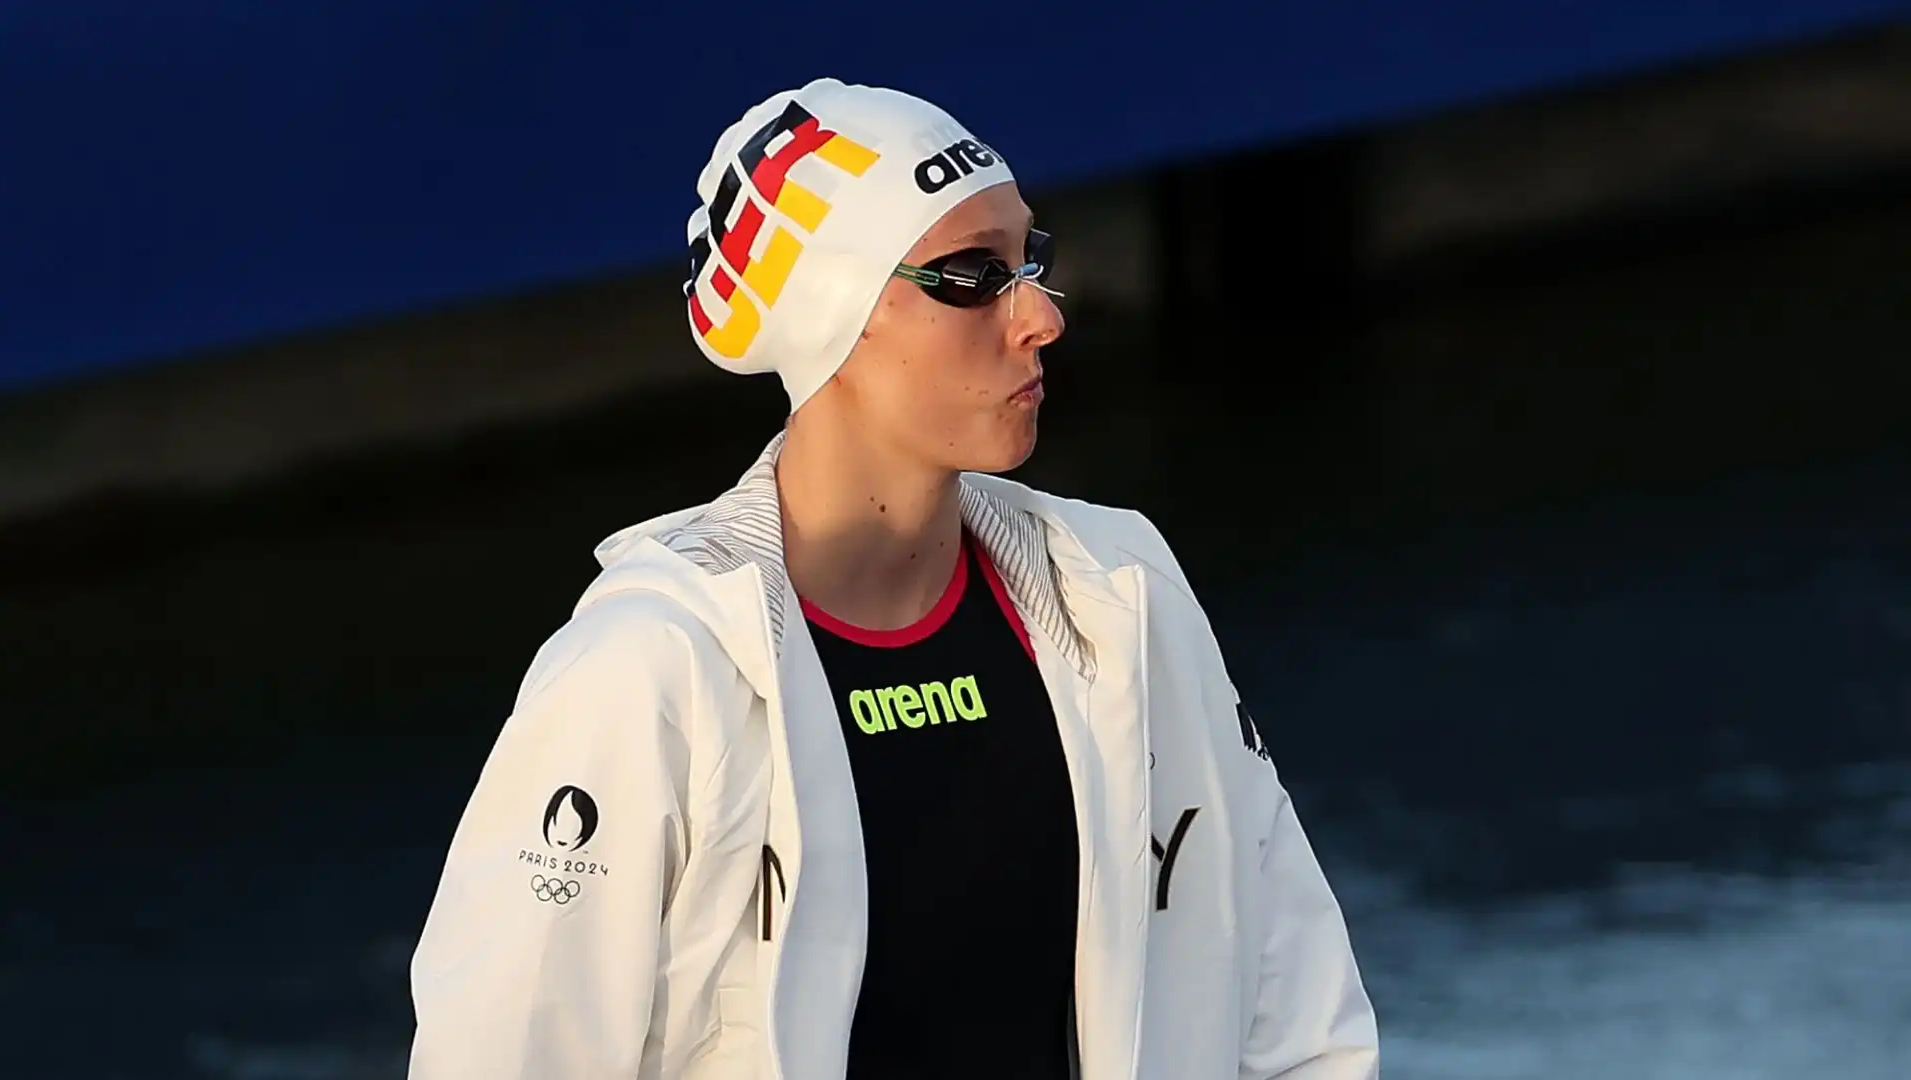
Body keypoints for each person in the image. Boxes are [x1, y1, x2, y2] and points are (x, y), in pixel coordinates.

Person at [406, 77, 1379, 1080]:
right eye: (972, 276)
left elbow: (1301, 1022)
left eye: (1030, 262)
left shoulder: (1121, 597)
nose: (1042, 313)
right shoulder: (651, 673)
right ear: (832, 316)